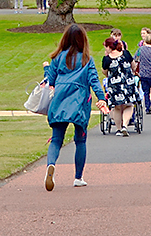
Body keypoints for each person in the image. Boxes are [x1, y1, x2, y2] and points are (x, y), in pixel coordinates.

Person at [42, 24, 109, 190]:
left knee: (56, 139)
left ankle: (51, 165)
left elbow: (50, 80)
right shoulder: (87, 59)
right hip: (79, 102)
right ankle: (78, 177)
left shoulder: (57, 58)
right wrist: (101, 98)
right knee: (80, 140)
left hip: (60, 100)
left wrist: (46, 69)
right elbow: (94, 80)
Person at [102, 37, 139, 136]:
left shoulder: (107, 59)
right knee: (129, 105)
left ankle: (118, 129)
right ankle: (125, 126)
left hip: (115, 86)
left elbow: (105, 72)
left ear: (109, 47)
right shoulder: (126, 54)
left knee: (117, 107)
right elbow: (133, 66)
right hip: (128, 83)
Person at [134, 30, 151, 114]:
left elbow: (135, 59)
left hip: (143, 73)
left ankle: (147, 107)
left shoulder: (140, 50)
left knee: (146, 91)